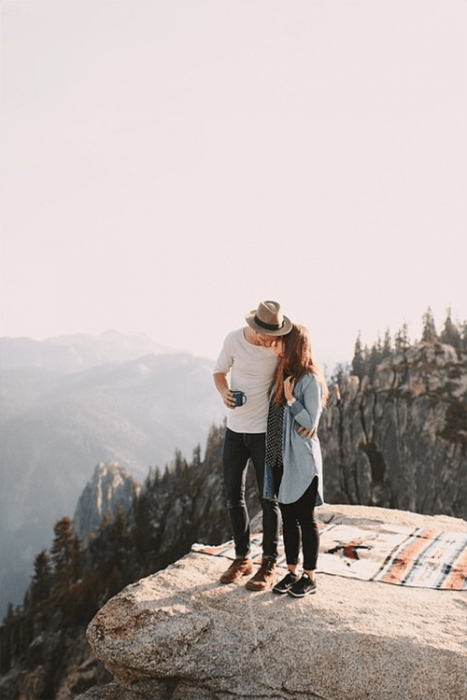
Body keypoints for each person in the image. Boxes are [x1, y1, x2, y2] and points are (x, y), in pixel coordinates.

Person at [213, 300, 292, 591]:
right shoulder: (234, 340)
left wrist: (283, 358)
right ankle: (242, 559)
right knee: (233, 496)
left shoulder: (280, 347)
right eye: (265, 332)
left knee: (269, 499)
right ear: (253, 326)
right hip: (235, 431)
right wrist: (224, 392)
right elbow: (219, 371)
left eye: (274, 333)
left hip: (267, 433)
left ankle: (269, 563)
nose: (269, 338)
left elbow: (303, 369)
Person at [264, 323, 328, 598]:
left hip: (301, 461)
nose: (279, 349)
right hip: (280, 458)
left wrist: (291, 400)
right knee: (288, 519)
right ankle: (291, 572)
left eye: (283, 344)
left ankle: (309, 576)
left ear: (294, 347)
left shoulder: (309, 380)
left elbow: (309, 422)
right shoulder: (284, 375)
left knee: (305, 518)